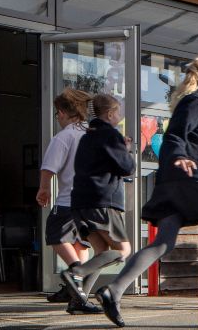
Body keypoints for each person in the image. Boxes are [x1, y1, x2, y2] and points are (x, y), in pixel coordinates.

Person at [92, 58, 198, 327]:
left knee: (163, 242)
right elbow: (175, 134)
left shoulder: (195, 101)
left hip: (173, 180)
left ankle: (114, 289)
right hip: (188, 179)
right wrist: (180, 155)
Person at [62, 94, 134, 312]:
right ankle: (76, 274)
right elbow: (128, 168)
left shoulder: (86, 137)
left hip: (80, 202)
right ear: (110, 114)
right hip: (102, 202)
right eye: (118, 113)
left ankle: (77, 301)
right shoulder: (110, 135)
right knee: (123, 250)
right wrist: (126, 150)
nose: (120, 117)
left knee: (101, 249)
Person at [36, 89, 97, 311]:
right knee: (80, 243)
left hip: (68, 200)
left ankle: (75, 274)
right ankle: (75, 294)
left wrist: (43, 189)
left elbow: (49, 167)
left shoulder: (64, 136)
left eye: (56, 113)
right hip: (90, 202)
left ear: (62, 112)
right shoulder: (91, 133)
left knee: (55, 235)